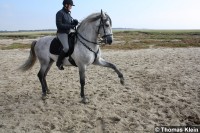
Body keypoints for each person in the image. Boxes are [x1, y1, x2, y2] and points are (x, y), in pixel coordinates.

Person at [56, 0, 78, 70]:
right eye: (70, 6)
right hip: (62, 33)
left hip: (69, 32)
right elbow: (59, 25)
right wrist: (70, 26)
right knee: (66, 48)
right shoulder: (59, 13)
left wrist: (74, 23)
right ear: (66, 5)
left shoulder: (68, 14)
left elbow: (69, 24)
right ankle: (59, 62)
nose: (71, 7)